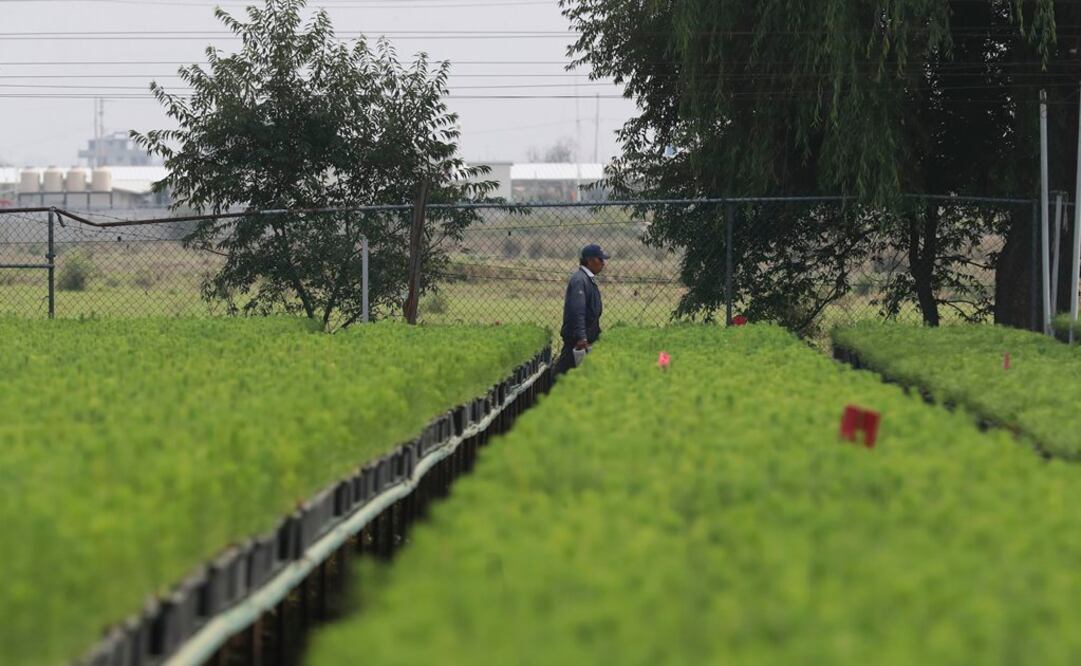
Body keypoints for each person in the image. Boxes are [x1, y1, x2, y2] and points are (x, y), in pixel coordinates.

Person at [555, 243, 608, 375]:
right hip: (576, 342)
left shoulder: (587, 279)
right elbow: (577, 311)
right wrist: (581, 337)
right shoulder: (580, 280)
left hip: (585, 338)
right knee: (562, 376)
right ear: (590, 261)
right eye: (600, 259)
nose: (603, 263)